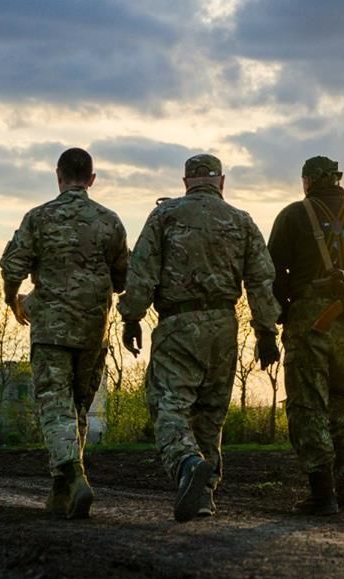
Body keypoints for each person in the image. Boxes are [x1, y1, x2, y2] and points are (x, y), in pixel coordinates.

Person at [120, 153, 280, 522]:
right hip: (224, 326)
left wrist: (132, 317)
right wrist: (267, 332)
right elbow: (260, 280)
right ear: (221, 182)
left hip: (180, 322)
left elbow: (141, 271)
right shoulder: (241, 221)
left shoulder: (165, 215)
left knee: (168, 404)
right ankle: (204, 496)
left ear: (186, 181)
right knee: (210, 414)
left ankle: (187, 464)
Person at [0, 147, 128, 520]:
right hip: (93, 329)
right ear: (91, 178)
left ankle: (73, 475)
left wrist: (14, 300)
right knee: (76, 408)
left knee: (54, 405)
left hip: (51, 328)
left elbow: (13, 268)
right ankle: (62, 491)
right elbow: (123, 279)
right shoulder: (110, 221)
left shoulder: (39, 218)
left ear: (58, 176)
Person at [267, 156, 344, 515]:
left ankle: (322, 491)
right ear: (337, 179)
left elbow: (270, 269)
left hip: (309, 317)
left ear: (307, 181)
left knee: (307, 401)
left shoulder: (293, 215)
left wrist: (286, 308)